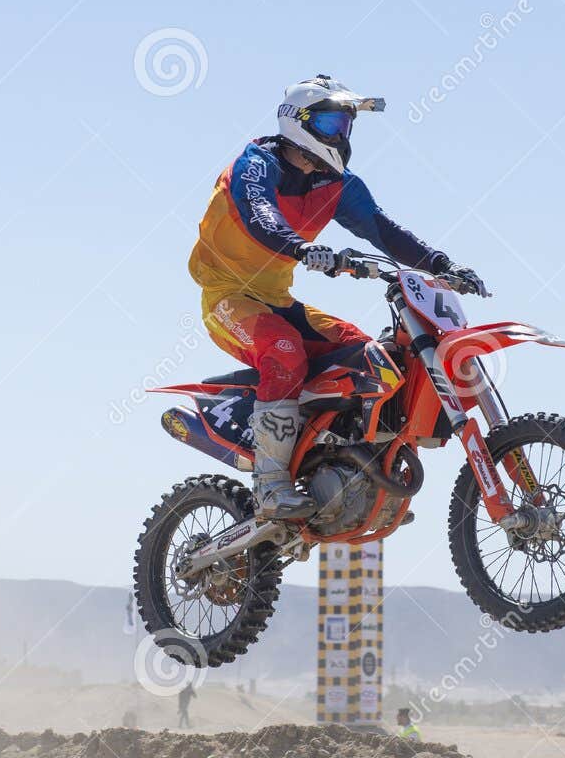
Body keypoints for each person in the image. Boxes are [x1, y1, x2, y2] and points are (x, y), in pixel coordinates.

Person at [189, 74, 486, 519]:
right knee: (285, 351)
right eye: (331, 124)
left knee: (369, 357)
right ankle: (271, 485)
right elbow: (260, 217)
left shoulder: (338, 184)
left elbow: (385, 231)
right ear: (297, 121)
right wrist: (306, 250)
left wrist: (442, 264)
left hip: (278, 300)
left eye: (346, 126)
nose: (340, 136)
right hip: (228, 298)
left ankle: (353, 470)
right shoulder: (255, 165)